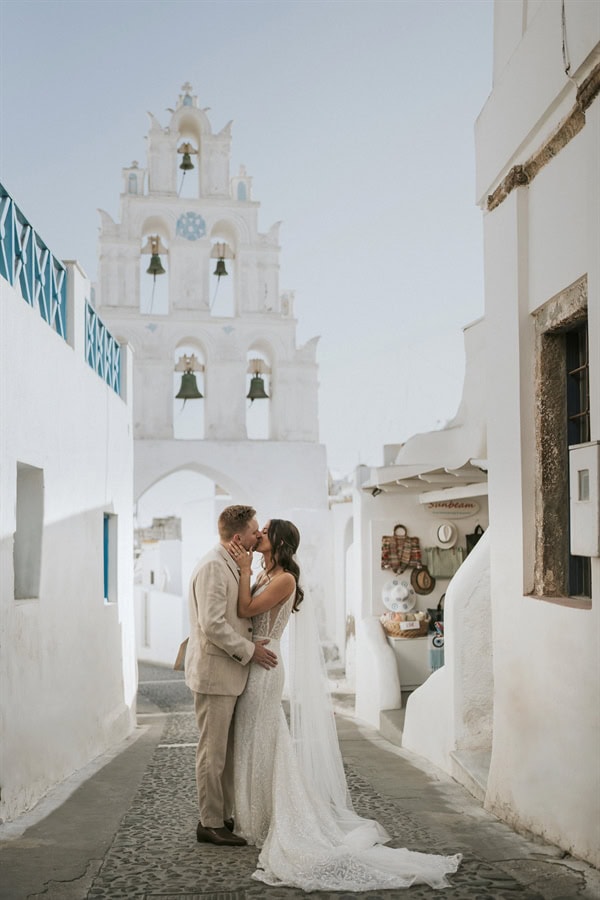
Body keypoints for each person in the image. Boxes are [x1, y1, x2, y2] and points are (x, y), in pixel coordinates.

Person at [228, 519, 462, 891]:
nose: (258, 535)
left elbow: (244, 609)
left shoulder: (285, 578)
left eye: (265, 530)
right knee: (254, 736)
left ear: (279, 541)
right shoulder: (264, 572)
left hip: (265, 662)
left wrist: (241, 571)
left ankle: (272, 816)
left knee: (265, 734)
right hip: (255, 659)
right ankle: (253, 812)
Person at [185, 505, 278, 848]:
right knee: (213, 752)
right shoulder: (212, 566)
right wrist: (250, 650)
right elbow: (213, 625)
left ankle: (221, 816)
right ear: (239, 537)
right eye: (255, 532)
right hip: (214, 672)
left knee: (223, 751)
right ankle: (209, 823)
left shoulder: (230, 563)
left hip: (228, 672)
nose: (258, 537)